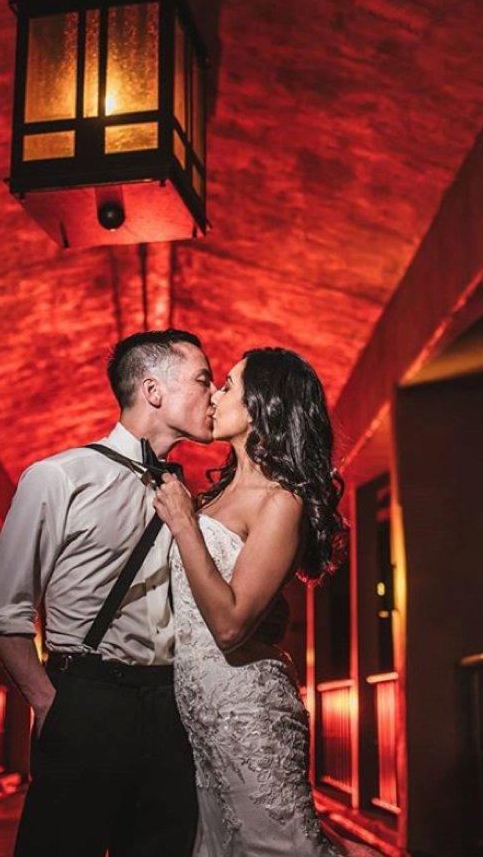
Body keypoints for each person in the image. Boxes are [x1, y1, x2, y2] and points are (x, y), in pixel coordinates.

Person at [0, 329, 214, 856]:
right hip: (87, 697)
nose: (214, 393)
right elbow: (2, 612)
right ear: (153, 390)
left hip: (171, 706)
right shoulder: (58, 477)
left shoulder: (185, 493)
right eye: (203, 379)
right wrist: (49, 703)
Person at [153, 348, 380, 856]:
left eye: (228, 385)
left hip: (247, 709)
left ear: (262, 405)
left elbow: (231, 626)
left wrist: (185, 524)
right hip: (201, 712)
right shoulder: (217, 494)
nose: (214, 394)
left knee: (275, 846)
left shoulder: (282, 501)